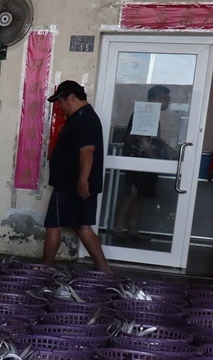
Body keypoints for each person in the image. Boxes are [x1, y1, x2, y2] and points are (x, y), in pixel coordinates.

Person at [42, 80, 114, 273]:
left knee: (53, 224)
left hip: (71, 183)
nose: (60, 107)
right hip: (74, 182)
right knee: (82, 226)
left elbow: (87, 151)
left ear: (72, 97)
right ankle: (104, 269)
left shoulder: (83, 119)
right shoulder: (83, 118)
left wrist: (82, 181)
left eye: (61, 102)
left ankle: (45, 268)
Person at [114, 84, 177, 244]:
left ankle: (133, 230)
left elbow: (155, 139)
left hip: (146, 162)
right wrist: (154, 157)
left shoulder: (153, 115)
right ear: (156, 98)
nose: (169, 100)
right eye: (166, 97)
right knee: (131, 195)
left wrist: (169, 150)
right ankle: (119, 228)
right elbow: (143, 140)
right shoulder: (145, 113)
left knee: (139, 196)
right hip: (139, 161)